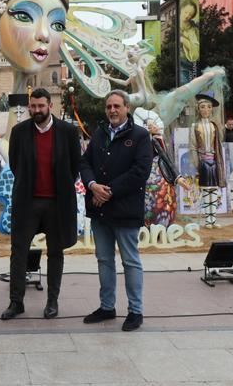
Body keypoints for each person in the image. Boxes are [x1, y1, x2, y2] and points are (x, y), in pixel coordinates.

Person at [1, 87, 81, 321]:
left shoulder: (67, 132)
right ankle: (16, 302)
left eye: (41, 106)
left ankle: (52, 302)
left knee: (55, 252)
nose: (37, 110)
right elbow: (16, 165)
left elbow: (74, 166)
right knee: (18, 252)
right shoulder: (19, 132)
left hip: (57, 203)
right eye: (33, 107)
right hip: (28, 201)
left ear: (50, 106)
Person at [79, 90, 153, 332]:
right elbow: (85, 162)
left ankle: (135, 311)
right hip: (100, 211)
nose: (112, 110)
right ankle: (107, 306)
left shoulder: (141, 136)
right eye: (109, 106)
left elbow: (140, 172)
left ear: (126, 108)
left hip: (125, 209)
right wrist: (92, 185)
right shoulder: (99, 133)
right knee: (104, 260)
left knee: (130, 261)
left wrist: (107, 191)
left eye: (117, 106)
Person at [135, 114, 190, 228]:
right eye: (150, 125)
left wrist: (177, 176)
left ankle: (160, 224)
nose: (154, 127)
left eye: (154, 124)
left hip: (157, 173)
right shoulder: (142, 141)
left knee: (161, 196)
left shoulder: (156, 140)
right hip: (147, 173)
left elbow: (165, 157)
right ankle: (148, 225)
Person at [189, 92, 227, 229]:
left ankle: (213, 219)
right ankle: (207, 220)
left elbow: (219, 142)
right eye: (203, 107)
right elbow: (192, 146)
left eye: (209, 107)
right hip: (203, 161)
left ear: (212, 109)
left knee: (214, 190)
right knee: (205, 191)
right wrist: (196, 164)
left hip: (214, 161)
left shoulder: (214, 126)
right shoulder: (195, 126)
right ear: (198, 109)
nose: (206, 110)